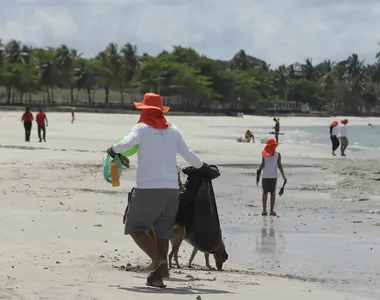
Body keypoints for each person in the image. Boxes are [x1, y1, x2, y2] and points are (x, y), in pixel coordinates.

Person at [106, 92, 208, 288]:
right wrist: (203, 167)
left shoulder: (142, 128)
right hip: (171, 192)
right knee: (162, 232)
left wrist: (113, 149)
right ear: (161, 111)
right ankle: (161, 274)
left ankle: (159, 262)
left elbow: (125, 144)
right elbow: (189, 154)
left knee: (135, 227)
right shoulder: (173, 130)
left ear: (144, 110)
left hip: (148, 190)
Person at [257, 139, 287, 216]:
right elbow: (279, 165)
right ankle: (271, 211)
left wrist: (258, 173)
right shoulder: (277, 154)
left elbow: (262, 164)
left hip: (265, 176)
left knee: (265, 193)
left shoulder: (265, 154)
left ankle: (264, 211)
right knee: (272, 194)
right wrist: (283, 176)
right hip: (272, 177)